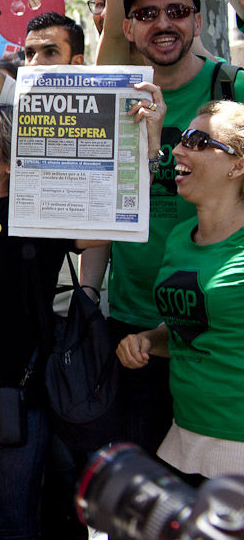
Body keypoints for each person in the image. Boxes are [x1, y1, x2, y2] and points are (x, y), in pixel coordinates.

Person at [0, 91, 162, 540]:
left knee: (10, 525)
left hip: (7, 405)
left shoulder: (37, 215)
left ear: (12, 163)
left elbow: (117, 218)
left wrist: (144, 148)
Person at [88, 0, 244, 453]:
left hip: (221, 331)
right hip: (139, 328)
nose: (163, 23)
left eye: (177, 11)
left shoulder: (231, 89)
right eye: (147, 13)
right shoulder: (111, 99)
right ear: (128, 28)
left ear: (197, 22)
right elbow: (93, 215)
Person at [116, 102, 244, 480]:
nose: (179, 149)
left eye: (199, 141)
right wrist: (147, 340)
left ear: (238, 166)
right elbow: (191, 331)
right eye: (184, 138)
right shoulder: (177, 239)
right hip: (184, 436)